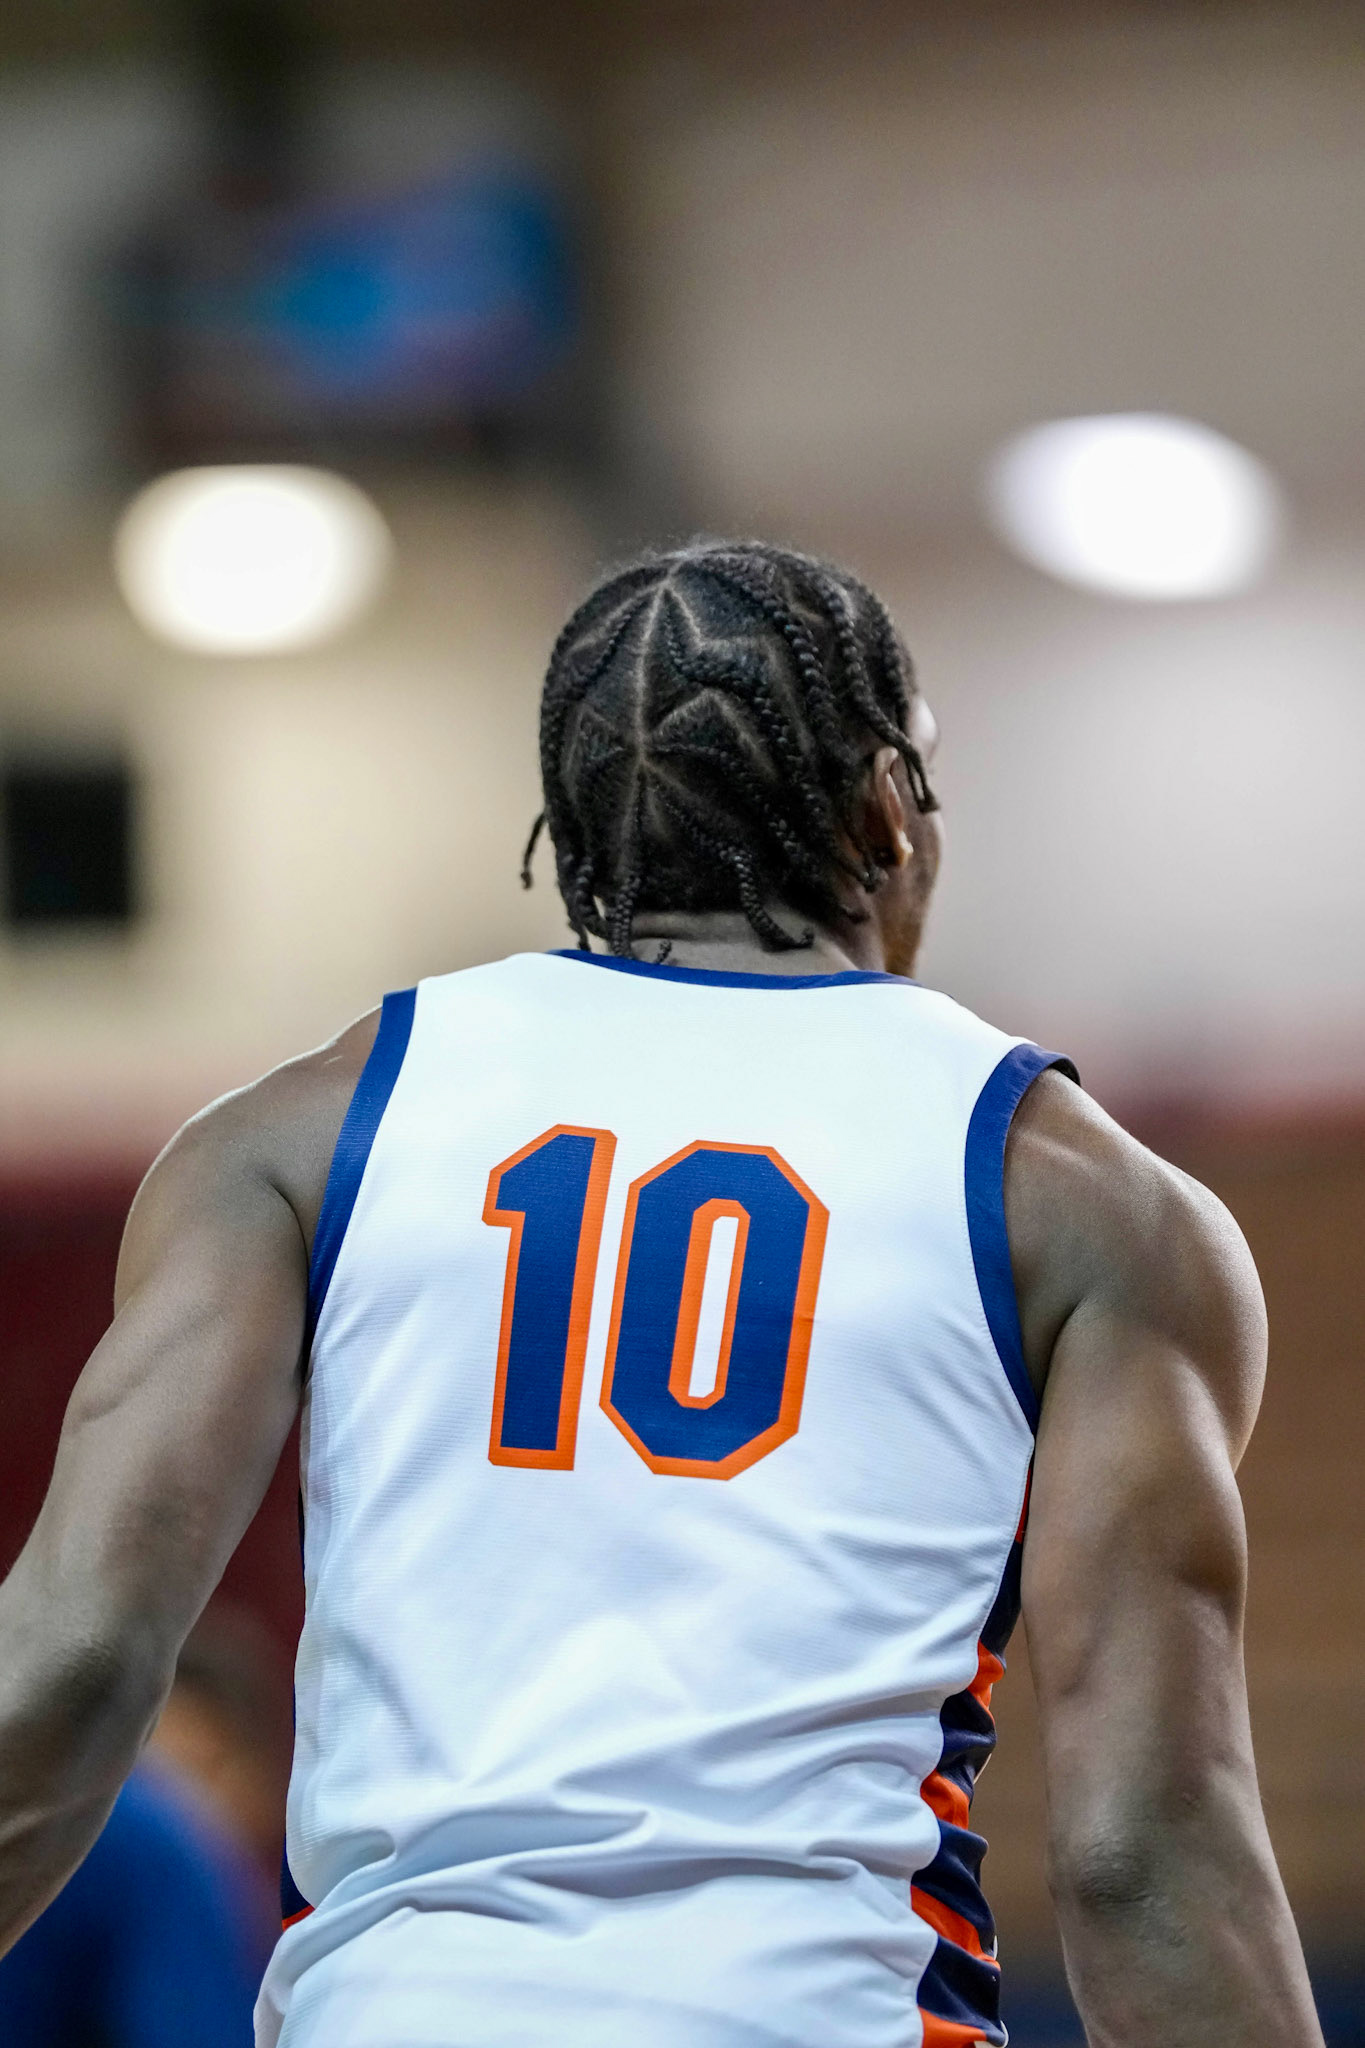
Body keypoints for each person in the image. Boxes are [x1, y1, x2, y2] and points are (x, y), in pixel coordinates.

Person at [0, 540, 1323, 2047]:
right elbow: (1142, 1850)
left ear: (572, 829)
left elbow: (72, 1662)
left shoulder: (299, 1132)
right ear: (888, 810)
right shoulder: (1083, 1200)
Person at [0, 1631, 276, 2046]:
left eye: (195, 1771)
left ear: (260, 1788)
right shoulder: (152, 1851)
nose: (172, 1800)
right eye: (151, 1768)